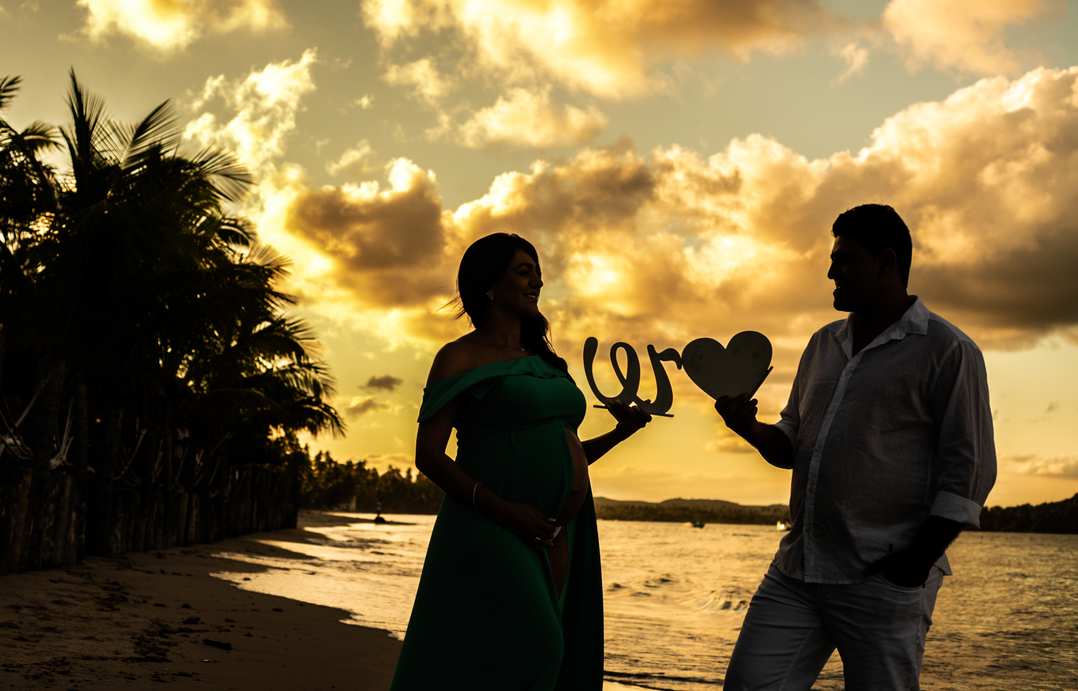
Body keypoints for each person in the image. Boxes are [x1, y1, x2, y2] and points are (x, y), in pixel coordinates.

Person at [715, 204, 997, 691]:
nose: (831, 273)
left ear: (886, 262)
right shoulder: (822, 344)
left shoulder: (948, 350)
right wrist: (750, 429)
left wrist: (913, 565)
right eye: (832, 260)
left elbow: (970, 474)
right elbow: (792, 442)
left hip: (880, 580)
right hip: (797, 569)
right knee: (747, 684)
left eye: (844, 260)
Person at [389, 233, 650, 691]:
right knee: (541, 645)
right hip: (493, 522)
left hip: (559, 532)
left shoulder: (549, 363)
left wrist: (618, 434)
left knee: (523, 654)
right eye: (524, 271)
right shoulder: (458, 357)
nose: (537, 281)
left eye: (538, 272)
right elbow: (428, 455)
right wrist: (506, 511)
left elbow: (566, 454)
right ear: (488, 285)